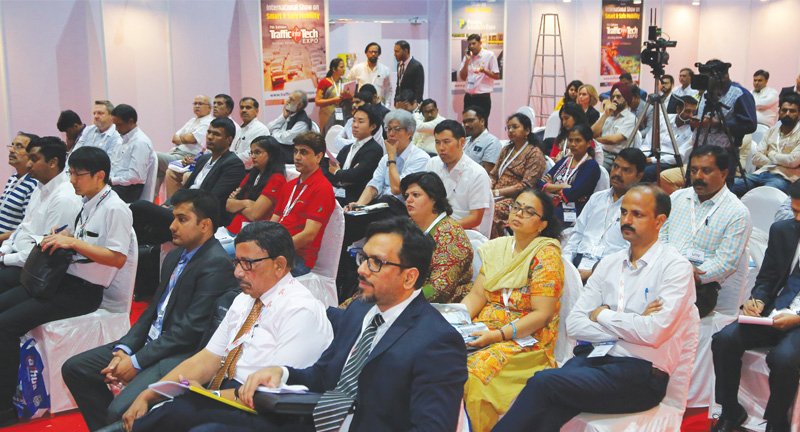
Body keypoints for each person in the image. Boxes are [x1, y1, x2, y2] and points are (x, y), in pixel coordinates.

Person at [230, 217, 466, 432]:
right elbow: (323, 375)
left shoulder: (437, 341)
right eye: (363, 258)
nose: (361, 269)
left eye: (376, 262)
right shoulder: (359, 310)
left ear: (409, 277)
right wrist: (282, 373)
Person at [494, 184, 698, 432]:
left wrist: (602, 314)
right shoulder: (610, 263)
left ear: (659, 221)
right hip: (594, 359)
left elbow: (654, 332)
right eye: (623, 212)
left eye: (637, 214)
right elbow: (575, 324)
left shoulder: (675, 268)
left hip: (642, 373)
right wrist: (632, 323)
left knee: (543, 382)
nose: (627, 220)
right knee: (549, 407)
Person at [120, 222, 334, 432]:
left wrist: (210, 396)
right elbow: (208, 358)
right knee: (160, 411)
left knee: (176, 413)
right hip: (227, 393)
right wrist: (149, 394)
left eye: (247, 263)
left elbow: (275, 392)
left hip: (262, 409)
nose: (238, 273)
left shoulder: (300, 310)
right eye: (237, 262)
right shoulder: (245, 299)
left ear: (278, 265)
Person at [62, 189, 236, 431]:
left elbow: (188, 331)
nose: (172, 226)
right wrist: (124, 349)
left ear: (205, 225)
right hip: (151, 343)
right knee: (76, 368)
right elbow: (152, 310)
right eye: (173, 218)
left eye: (182, 219)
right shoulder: (176, 255)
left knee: (119, 409)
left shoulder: (216, 264)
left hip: (178, 353)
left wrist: (136, 361)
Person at [0, 146, 134, 427]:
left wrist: (72, 242)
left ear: (99, 175)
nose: (72, 180)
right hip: (63, 281)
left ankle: (5, 408)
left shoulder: (115, 208)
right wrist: (62, 237)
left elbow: (117, 257)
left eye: (77, 174)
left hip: (83, 292)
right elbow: (85, 241)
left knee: (6, 325)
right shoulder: (88, 202)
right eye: (70, 173)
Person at [461, 188, 564, 431]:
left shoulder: (546, 255)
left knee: (472, 375)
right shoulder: (498, 248)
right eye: (516, 207)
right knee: (438, 356)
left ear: (542, 224)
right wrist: (456, 322)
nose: (518, 213)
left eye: (528, 212)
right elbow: (477, 295)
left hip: (526, 341)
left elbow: (542, 314)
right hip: (483, 329)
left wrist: (497, 335)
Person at [710, 181, 800, 432]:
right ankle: (730, 410)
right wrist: (757, 299)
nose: (797, 218)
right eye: (795, 211)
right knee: (724, 340)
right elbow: (767, 277)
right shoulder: (783, 230)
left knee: (783, 359)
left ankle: (777, 422)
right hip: (775, 311)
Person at [661, 145, 751, 318]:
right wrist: (669, 266)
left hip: (700, 286)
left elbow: (725, 263)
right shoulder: (677, 197)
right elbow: (660, 237)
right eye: (693, 170)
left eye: (706, 171)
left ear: (724, 173)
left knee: (663, 309)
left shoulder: (737, 212)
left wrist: (686, 274)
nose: (698, 176)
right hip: (664, 271)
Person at [131, 118, 246, 245]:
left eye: (216, 134)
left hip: (200, 216)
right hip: (183, 209)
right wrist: (168, 203)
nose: (210, 137)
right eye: (209, 132)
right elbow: (185, 188)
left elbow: (213, 199)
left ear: (228, 140)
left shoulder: (233, 164)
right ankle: (144, 251)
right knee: (149, 223)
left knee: (140, 207)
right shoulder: (204, 159)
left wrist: (178, 208)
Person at [0, 137, 81, 292]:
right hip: (16, 257)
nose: (28, 164)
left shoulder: (64, 198)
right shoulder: (40, 186)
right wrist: (5, 249)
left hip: (33, 269)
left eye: (34, 159)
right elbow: (23, 227)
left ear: (53, 162)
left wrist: (5, 259)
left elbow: (44, 252)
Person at [562, 148, 646, 282]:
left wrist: (593, 273)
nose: (617, 173)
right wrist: (567, 265)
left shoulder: (639, 208)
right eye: (616, 167)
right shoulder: (597, 198)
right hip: (578, 260)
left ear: (639, 176)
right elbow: (577, 234)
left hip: (609, 271)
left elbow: (631, 252)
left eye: (626, 170)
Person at [270, 132, 336, 277]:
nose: (297, 157)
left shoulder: (322, 188)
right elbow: (274, 221)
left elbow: (309, 235)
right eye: (295, 151)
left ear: (319, 157)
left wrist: (274, 249)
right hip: (277, 250)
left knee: (251, 271)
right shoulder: (290, 185)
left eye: (304, 152)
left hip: (298, 258)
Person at [402, 172, 472, 303]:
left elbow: (439, 288)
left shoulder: (450, 234)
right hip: (407, 293)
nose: (408, 200)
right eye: (407, 196)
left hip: (442, 304)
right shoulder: (409, 225)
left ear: (433, 198)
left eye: (415, 195)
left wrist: (400, 300)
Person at [425, 120, 492, 236]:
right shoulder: (432, 164)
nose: (441, 148)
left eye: (446, 142)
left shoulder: (477, 174)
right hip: (435, 225)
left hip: (465, 232)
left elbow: (475, 218)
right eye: (437, 142)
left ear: (462, 142)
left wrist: (442, 228)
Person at [489, 113, 546, 238]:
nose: (510, 131)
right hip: (496, 193)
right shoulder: (506, 150)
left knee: (492, 212)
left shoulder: (534, 153)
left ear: (527, 130)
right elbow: (494, 174)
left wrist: (497, 192)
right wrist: (488, 189)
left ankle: (497, 247)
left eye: (515, 127)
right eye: (508, 127)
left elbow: (526, 185)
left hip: (518, 199)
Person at [223, 136, 287, 245]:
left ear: (271, 154)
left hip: (253, 236)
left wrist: (239, 205)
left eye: (257, 152)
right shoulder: (251, 175)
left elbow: (255, 214)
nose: (253, 156)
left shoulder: (277, 179)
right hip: (232, 229)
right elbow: (229, 205)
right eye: (251, 153)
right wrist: (248, 203)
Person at [733, 94, 800, 196]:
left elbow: (793, 161)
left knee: (765, 193)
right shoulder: (771, 131)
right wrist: (777, 162)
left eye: (792, 111)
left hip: (785, 178)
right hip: (762, 173)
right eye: (784, 110)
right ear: (779, 112)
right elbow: (756, 157)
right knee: (732, 184)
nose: (787, 114)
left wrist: (771, 154)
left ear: (799, 113)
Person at [539, 125, 601, 226]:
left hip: (574, 211)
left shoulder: (591, 166)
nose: (572, 144)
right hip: (552, 204)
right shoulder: (565, 161)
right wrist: (562, 186)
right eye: (570, 140)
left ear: (589, 143)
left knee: (541, 222)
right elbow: (540, 183)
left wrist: (550, 186)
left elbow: (572, 194)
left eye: (578, 141)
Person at [326, 105, 383, 206]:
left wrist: (338, 172)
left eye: (360, 122)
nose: (355, 125)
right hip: (337, 194)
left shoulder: (374, 149)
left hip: (355, 200)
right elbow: (330, 173)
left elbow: (355, 175)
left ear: (373, 126)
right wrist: (341, 174)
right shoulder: (347, 148)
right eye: (354, 121)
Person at [156, 96, 213, 192]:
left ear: (209, 107)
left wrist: (184, 138)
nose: (197, 106)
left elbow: (191, 139)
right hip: (175, 153)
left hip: (187, 157)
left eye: (200, 104)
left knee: (154, 156)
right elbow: (174, 138)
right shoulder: (192, 120)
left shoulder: (209, 122)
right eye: (195, 103)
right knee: (156, 168)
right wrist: (186, 138)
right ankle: (151, 197)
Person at [640, 95, 698, 182]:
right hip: (651, 155)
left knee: (645, 172)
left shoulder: (693, 130)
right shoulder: (664, 118)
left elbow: (680, 157)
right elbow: (648, 142)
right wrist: (641, 156)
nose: (691, 115)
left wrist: (651, 160)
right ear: (678, 109)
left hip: (670, 163)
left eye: (693, 112)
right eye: (687, 111)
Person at [109, 104, 154, 203]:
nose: (116, 129)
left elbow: (135, 177)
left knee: (94, 196)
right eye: (115, 125)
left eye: (119, 125)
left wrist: (112, 180)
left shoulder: (140, 142)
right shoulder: (121, 138)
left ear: (130, 121)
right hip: (117, 184)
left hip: (129, 189)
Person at [0, 132, 39, 241]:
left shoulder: (33, 184)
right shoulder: (13, 178)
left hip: (9, 245)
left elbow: (27, 228)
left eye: (19, 146)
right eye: (12, 145)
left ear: (32, 154)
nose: (12, 150)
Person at [592, 81, 638, 170]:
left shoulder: (631, 118)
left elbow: (613, 140)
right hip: (597, 151)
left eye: (618, 96)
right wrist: (605, 115)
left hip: (614, 157)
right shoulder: (607, 114)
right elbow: (592, 133)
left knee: (592, 169)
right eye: (613, 97)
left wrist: (593, 139)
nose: (614, 99)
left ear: (626, 98)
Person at [459, 34, 500, 122]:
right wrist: (467, 61)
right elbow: (463, 77)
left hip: (482, 97)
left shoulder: (489, 55)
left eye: (474, 43)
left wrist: (484, 70)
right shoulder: (467, 57)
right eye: (469, 44)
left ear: (480, 43)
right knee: (468, 123)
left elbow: (496, 76)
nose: (471, 46)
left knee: (482, 123)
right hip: (469, 97)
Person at [267, 90, 313, 164]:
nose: (287, 101)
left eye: (291, 100)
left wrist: (273, 133)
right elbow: (269, 128)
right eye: (289, 98)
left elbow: (286, 138)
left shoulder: (302, 122)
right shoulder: (289, 114)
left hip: (290, 157)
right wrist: (283, 117)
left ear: (299, 105)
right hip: (280, 153)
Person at [231, 97, 270, 169]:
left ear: (256, 111)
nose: (244, 110)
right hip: (235, 166)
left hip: (251, 170)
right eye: (242, 107)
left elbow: (250, 155)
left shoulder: (260, 129)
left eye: (248, 107)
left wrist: (229, 160)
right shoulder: (239, 129)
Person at [315, 58, 352, 134]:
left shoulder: (346, 82)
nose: (344, 69)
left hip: (343, 114)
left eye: (344, 67)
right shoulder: (324, 82)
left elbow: (352, 99)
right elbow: (318, 101)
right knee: (328, 135)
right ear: (334, 69)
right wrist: (334, 100)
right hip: (327, 115)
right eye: (341, 67)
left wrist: (348, 97)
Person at [463, 105, 501, 173]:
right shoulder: (465, 141)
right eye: (464, 122)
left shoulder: (492, 142)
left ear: (482, 121)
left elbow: (487, 173)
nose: (466, 125)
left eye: (470, 121)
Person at [394, 40, 425, 104]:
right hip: (400, 104)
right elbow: (399, 85)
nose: (395, 54)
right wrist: (395, 101)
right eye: (394, 51)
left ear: (405, 51)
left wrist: (416, 106)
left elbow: (419, 90)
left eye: (397, 51)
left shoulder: (416, 66)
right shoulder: (399, 65)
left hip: (411, 105)